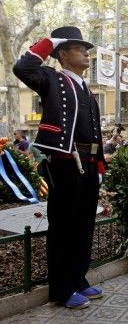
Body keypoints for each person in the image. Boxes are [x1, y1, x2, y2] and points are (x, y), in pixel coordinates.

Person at [13, 26, 105, 309]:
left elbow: (96, 131)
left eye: (86, 49)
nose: (87, 53)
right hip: (64, 162)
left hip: (88, 163)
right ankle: (62, 290)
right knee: (64, 226)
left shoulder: (87, 89)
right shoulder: (52, 78)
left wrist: (99, 166)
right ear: (63, 54)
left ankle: (78, 279)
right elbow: (22, 68)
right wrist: (49, 42)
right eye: (79, 48)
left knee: (84, 224)